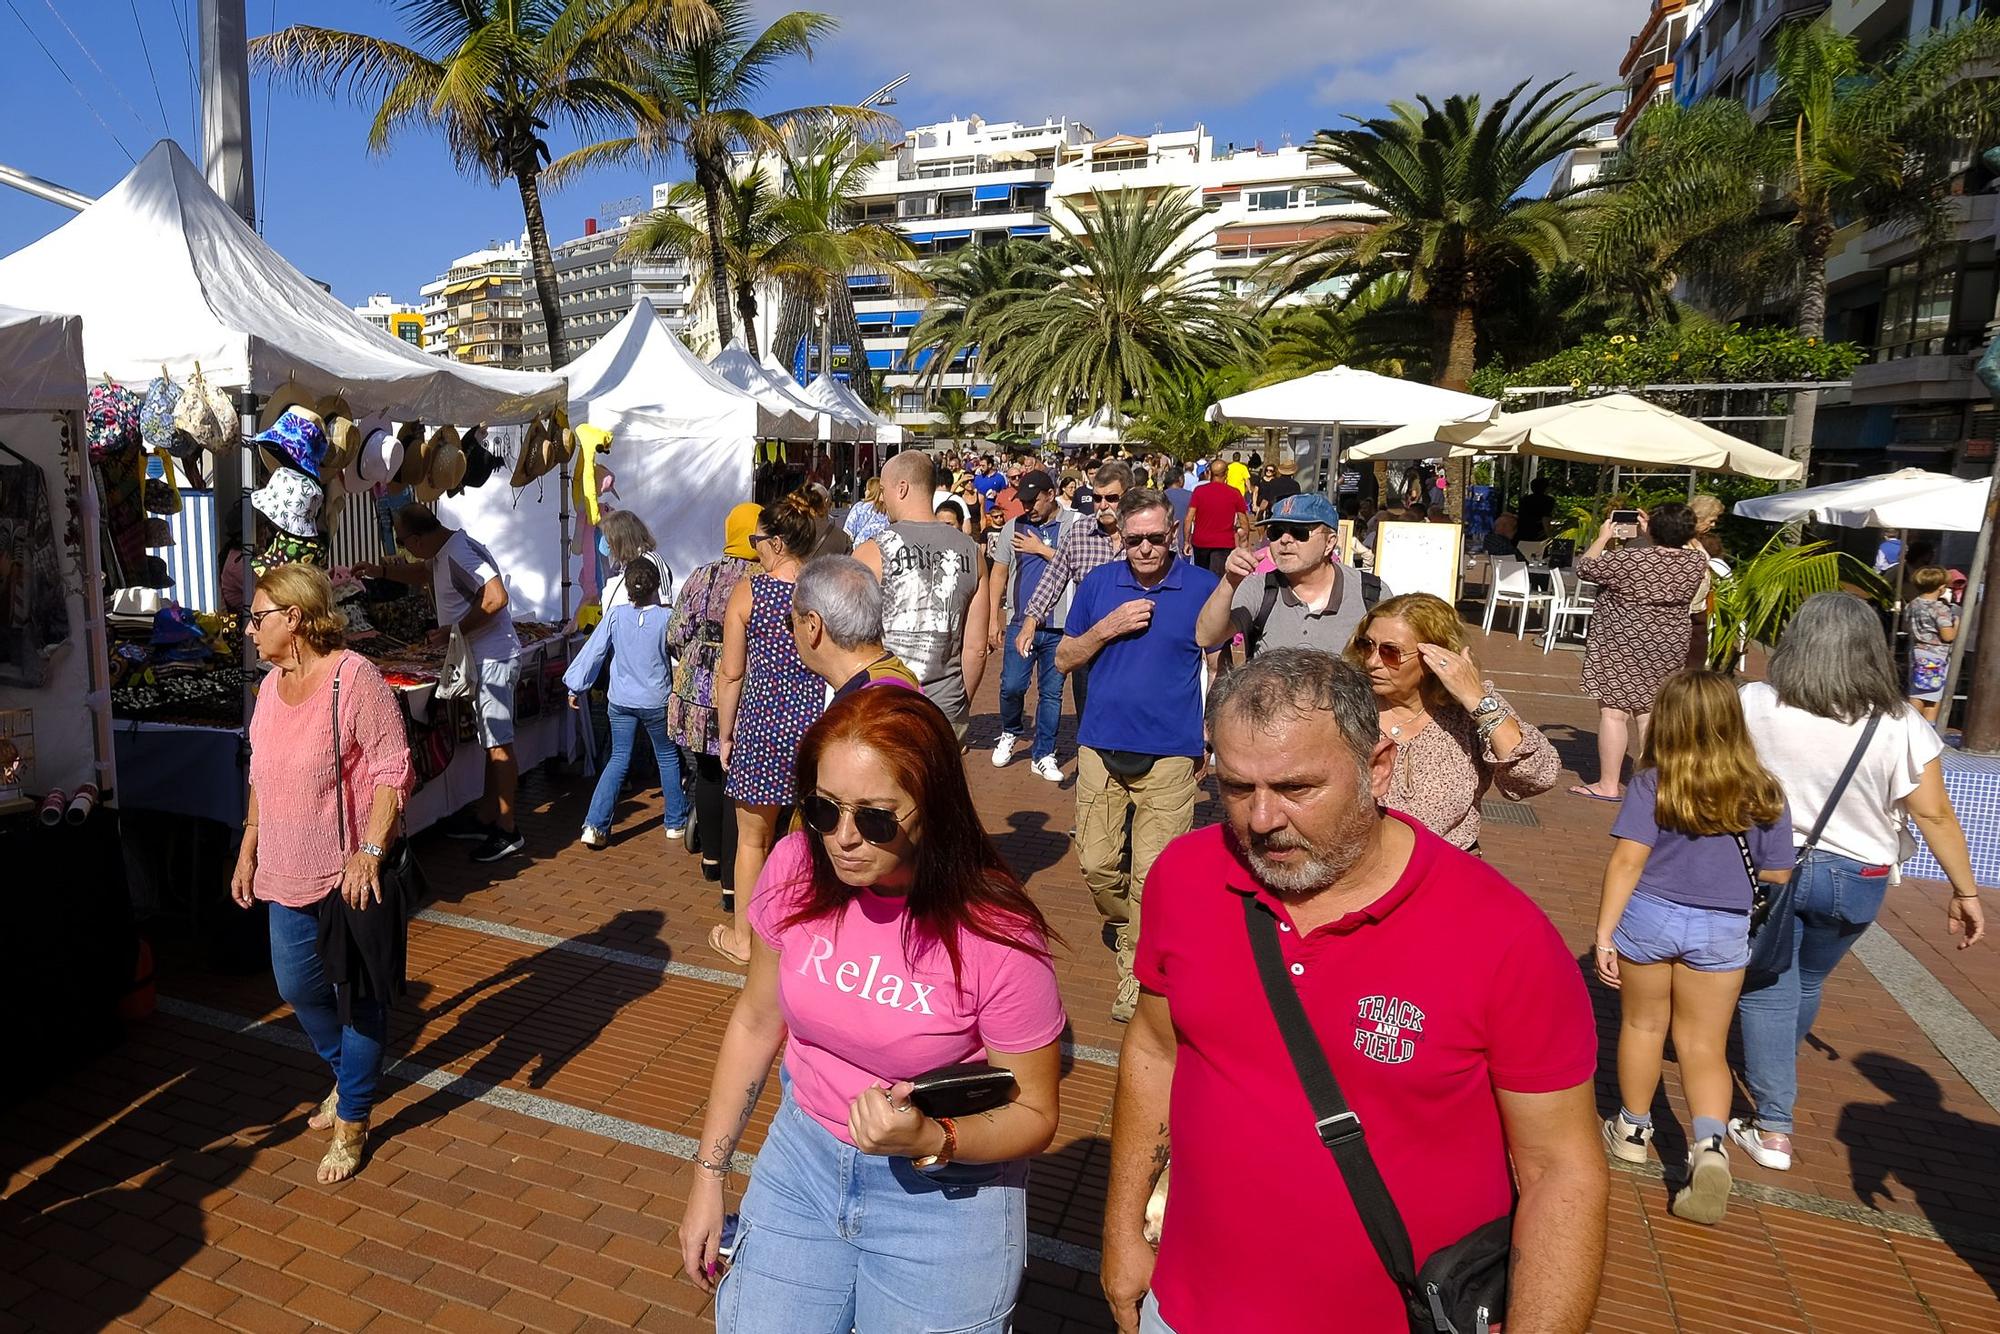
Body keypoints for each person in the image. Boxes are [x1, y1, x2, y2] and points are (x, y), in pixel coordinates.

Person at [1102, 649, 1607, 1334]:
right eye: (1236, 786)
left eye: (1297, 787)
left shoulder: (1503, 936)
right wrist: (1123, 1229)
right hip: (1184, 1310)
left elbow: (1561, 1173)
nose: (1260, 819)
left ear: (1377, 767)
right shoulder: (1186, 877)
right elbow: (1157, 1051)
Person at [679, 686, 1066, 1331]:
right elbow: (755, 1020)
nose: (845, 839)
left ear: (932, 809)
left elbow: (1035, 1111)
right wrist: (708, 1175)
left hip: (947, 1198)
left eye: (877, 818)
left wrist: (934, 1137)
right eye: (823, 810)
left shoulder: (996, 931)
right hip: (801, 1165)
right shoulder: (796, 864)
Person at [1733, 593, 1986, 1171]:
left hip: (1772, 863)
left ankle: (1773, 1127)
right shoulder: (1899, 724)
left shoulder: (1755, 702)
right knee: (1808, 978)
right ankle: (1775, 1078)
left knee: (1770, 983)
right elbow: (1935, 814)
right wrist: (1965, 891)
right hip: (1860, 875)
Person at [233, 563, 415, 1184]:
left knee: (359, 995)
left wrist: (369, 849)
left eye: (258, 618)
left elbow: (393, 767)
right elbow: (260, 771)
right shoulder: (268, 687)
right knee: (296, 987)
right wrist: (248, 846)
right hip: (283, 867)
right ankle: (348, 1076)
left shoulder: (354, 678)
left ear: (297, 619)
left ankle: (355, 1116)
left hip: (348, 872)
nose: (249, 629)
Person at [1595, 670, 1794, 1225]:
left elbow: (1627, 861)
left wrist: (1605, 932)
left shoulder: (1654, 782)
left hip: (1651, 917)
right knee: (1705, 1044)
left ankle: (1633, 1129)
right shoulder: (1763, 789)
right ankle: (1709, 1145)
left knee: (1641, 1027)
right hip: (1722, 928)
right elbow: (1777, 872)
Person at [1056, 489, 1220, 1022]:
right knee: (1097, 864)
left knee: (1153, 874)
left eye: (1156, 538)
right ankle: (1134, 924)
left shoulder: (1201, 586)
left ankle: (1134, 972)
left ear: (1173, 533)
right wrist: (1106, 628)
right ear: (1119, 538)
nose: (1146, 549)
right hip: (1101, 746)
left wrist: (1212, 735)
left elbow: (1219, 666)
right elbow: (1063, 658)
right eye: (1135, 540)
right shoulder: (1100, 584)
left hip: (1172, 750)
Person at [360, 503, 523, 863]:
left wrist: (453, 631)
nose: (405, 549)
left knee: (499, 745)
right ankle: (486, 815)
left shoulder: (459, 553)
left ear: (418, 537)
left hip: (493, 657)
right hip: (487, 656)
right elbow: (424, 575)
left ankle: (509, 830)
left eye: (403, 543)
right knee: (492, 743)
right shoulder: (447, 552)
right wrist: (381, 570)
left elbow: (496, 597)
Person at [1345, 592, 1559, 851]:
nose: (1372, 661)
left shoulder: (1467, 712)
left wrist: (1476, 699)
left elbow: (1537, 776)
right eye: (1366, 645)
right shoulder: (1345, 704)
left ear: (1433, 657)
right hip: (1358, 873)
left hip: (1446, 871)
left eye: (1391, 652)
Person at [713, 490, 828, 965]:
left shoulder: (751, 590)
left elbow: (731, 672)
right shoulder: (821, 590)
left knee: (752, 840)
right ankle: (807, 935)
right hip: (813, 725)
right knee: (811, 839)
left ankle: (744, 938)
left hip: (761, 726)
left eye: (759, 540)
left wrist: (725, 733)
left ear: (777, 543)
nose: (755, 547)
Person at [1569, 503, 1710, 802]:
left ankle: (1609, 784)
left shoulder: (1630, 559)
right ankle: (1647, 783)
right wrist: (1658, 531)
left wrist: (1603, 536)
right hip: (1668, 644)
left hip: (1622, 640)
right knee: (1649, 713)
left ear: (1653, 529)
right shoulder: (1696, 562)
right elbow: (1683, 548)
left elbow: (1585, 568)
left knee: (1614, 712)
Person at [857, 450, 991, 743]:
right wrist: (959, 704)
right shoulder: (971, 551)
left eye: (885, 491)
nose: (883, 500)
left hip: (886, 706)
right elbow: (976, 648)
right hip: (946, 706)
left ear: (901, 488)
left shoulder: (872, 552)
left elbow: (850, 640)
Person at [565, 556, 688, 848]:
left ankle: (594, 824)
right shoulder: (666, 618)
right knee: (667, 758)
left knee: (619, 759)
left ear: (628, 590)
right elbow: (682, 654)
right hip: (656, 700)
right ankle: (675, 821)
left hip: (620, 700)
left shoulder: (616, 616)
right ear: (656, 586)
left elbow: (593, 651)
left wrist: (575, 686)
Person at [668, 504, 758, 890]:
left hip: (695, 685)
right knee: (735, 777)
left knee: (706, 772)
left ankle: (711, 859)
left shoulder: (702, 574)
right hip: (740, 683)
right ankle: (733, 876)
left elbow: (675, 632)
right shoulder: (763, 578)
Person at [1196, 493, 1384, 661]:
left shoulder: (1370, 593)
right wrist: (1229, 581)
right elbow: (1206, 636)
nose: (1284, 540)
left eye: (1299, 532)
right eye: (1275, 532)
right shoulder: (1259, 588)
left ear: (1329, 542)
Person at [1017, 461, 1130, 723]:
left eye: (1111, 498)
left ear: (1128, 495)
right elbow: (1054, 576)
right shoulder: (1081, 532)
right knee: (1089, 718)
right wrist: (1031, 621)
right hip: (1088, 644)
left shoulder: (1142, 535)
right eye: (1097, 498)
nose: (1103, 506)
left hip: (1133, 646)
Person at [990, 470, 1079, 782]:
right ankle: (1010, 730)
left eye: (1033, 500)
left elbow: (1079, 564)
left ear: (1050, 494)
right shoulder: (1014, 527)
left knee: (1052, 693)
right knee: (1011, 685)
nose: (1028, 506)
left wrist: (1041, 549)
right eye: (1023, 501)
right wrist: (993, 619)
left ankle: (1044, 753)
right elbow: (999, 572)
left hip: (1059, 625)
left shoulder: (1073, 525)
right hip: (1019, 620)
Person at [790, 554, 918, 696]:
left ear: (813, 626)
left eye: (791, 623)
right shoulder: (898, 678)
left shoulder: (863, 710)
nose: (791, 634)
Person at [1903, 566, 1959, 721]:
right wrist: (1957, 624)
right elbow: (1947, 635)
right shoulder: (1939, 608)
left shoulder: (1912, 604)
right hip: (1936, 655)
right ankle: (1928, 729)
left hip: (1916, 651)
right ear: (1941, 588)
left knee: (1918, 689)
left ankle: (1911, 724)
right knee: (1932, 697)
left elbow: (1905, 626)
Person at [598, 507, 674, 612]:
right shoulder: (620, 566)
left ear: (621, 539)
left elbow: (666, 604)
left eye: (609, 540)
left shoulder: (652, 560)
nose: (609, 546)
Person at [1183, 467, 1248, 576]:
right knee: (1217, 579)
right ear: (1226, 474)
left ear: (1209, 473)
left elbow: (1189, 518)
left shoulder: (1199, 491)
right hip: (1224, 543)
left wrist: (1186, 541)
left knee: (1201, 575)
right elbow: (1244, 521)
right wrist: (1244, 544)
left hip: (1201, 542)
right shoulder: (1234, 493)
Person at [842, 476, 890, 548]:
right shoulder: (887, 510)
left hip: (860, 551)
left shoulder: (859, 507)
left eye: (867, 489)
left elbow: (847, 533)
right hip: (880, 551)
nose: (865, 491)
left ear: (871, 491)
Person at [1518, 474, 1556, 542]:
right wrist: (1549, 536)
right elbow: (1545, 519)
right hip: (1538, 533)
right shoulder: (1548, 500)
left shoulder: (1524, 499)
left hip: (1522, 532)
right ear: (1546, 488)